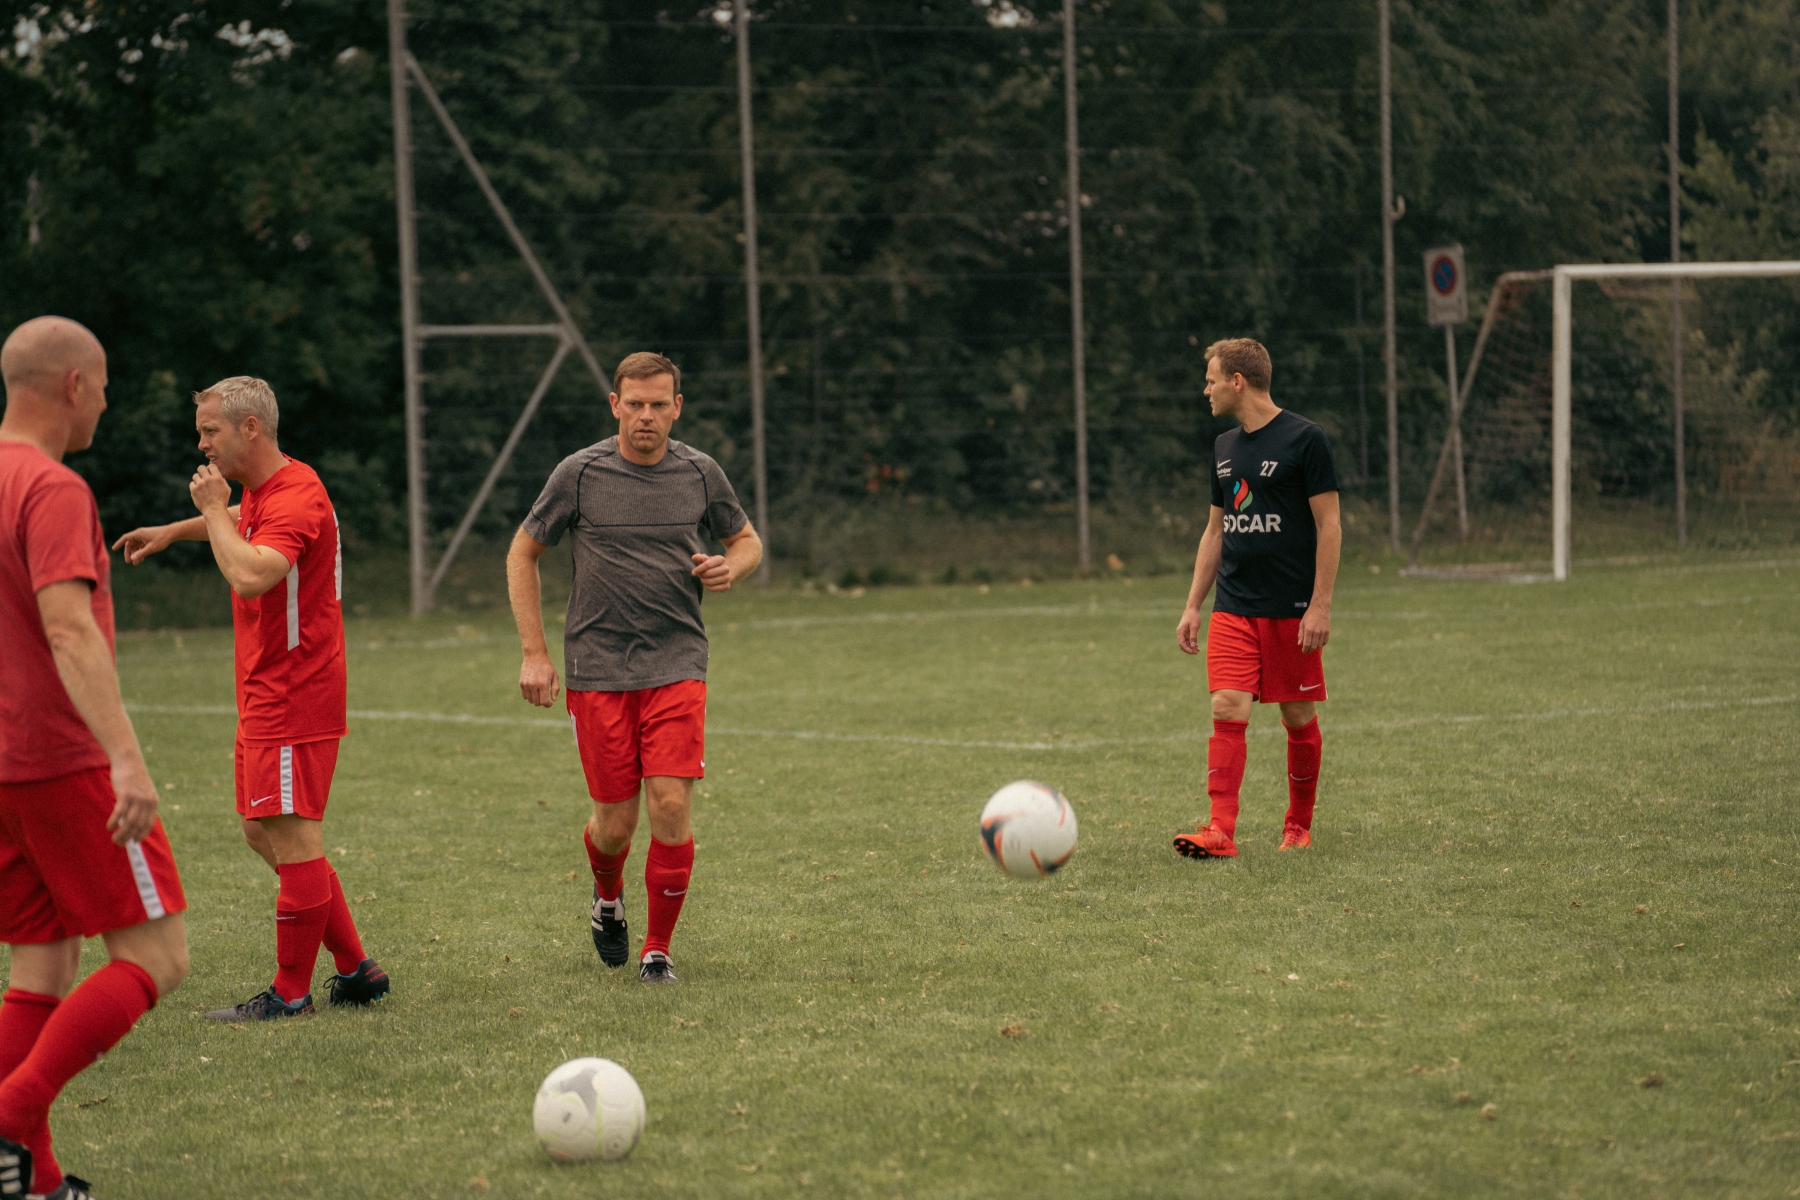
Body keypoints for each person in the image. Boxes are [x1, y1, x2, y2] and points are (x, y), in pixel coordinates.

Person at [111, 377, 388, 1020]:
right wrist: (177, 529)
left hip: (294, 692)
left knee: (293, 838)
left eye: (210, 431)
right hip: (269, 690)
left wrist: (211, 510)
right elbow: (245, 521)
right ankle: (356, 968)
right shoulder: (270, 490)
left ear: (251, 429)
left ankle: (290, 995)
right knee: (262, 831)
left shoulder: (295, 495)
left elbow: (251, 574)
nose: (202, 444)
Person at [0, 317, 190, 1200]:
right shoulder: (51, 486)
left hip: (4, 765)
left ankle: (34, 1182)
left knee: (42, 964)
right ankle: (9, 1115)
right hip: (62, 756)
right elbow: (68, 629)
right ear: (74, 385)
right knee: (158, 956)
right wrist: (125, 759)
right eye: (105, 386)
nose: (107, 403)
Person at [508, 352, 762, 986]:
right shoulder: (580, 473)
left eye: (659, 405)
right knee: (615, 825)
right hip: (597, 669)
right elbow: (523, 552)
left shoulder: (700, 472)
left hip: (678, 660)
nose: (646, 416)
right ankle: (607, 897)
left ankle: (657, 951)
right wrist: (535, 653)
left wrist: (733, 567)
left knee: (670, 804)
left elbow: (746, 541)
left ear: (677, 408)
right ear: (615, 405)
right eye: (636, 404)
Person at [1174, 337, 1341, 860]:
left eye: (1211, 380)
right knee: (1227, 706)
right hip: (1234, 606)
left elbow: (1330, 525)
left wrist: (1319, 606)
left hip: (1291, 610)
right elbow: (1215, 532)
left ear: (1237, 381)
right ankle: (1220, 831)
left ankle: (1298, 825)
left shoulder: (1305, 439)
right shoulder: (1224, 447)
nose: (1206, 390)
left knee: (1297, 716)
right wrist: (1193, 605)